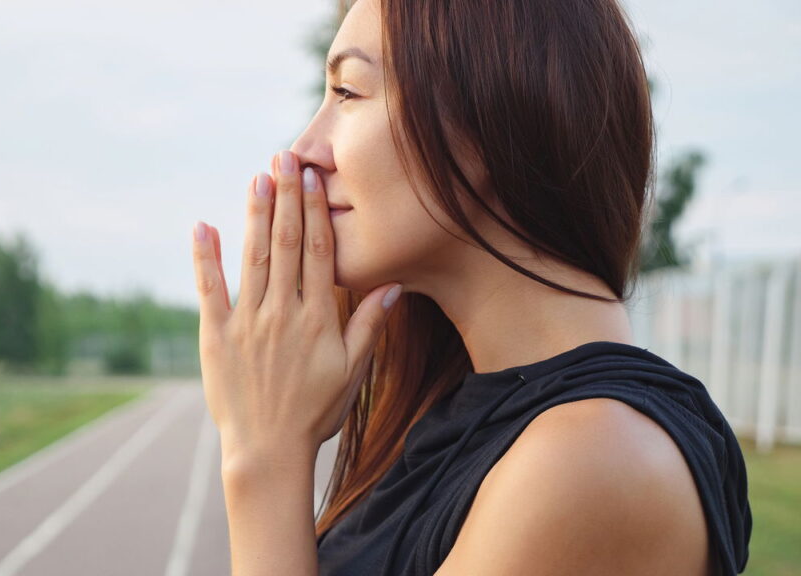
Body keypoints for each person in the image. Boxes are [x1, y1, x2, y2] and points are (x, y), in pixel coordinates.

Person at [190, 0, 752, 574]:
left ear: (490, 116)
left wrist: (262, 457)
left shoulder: (592, 459)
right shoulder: (463, 412)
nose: (303, 152)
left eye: (348, 93)